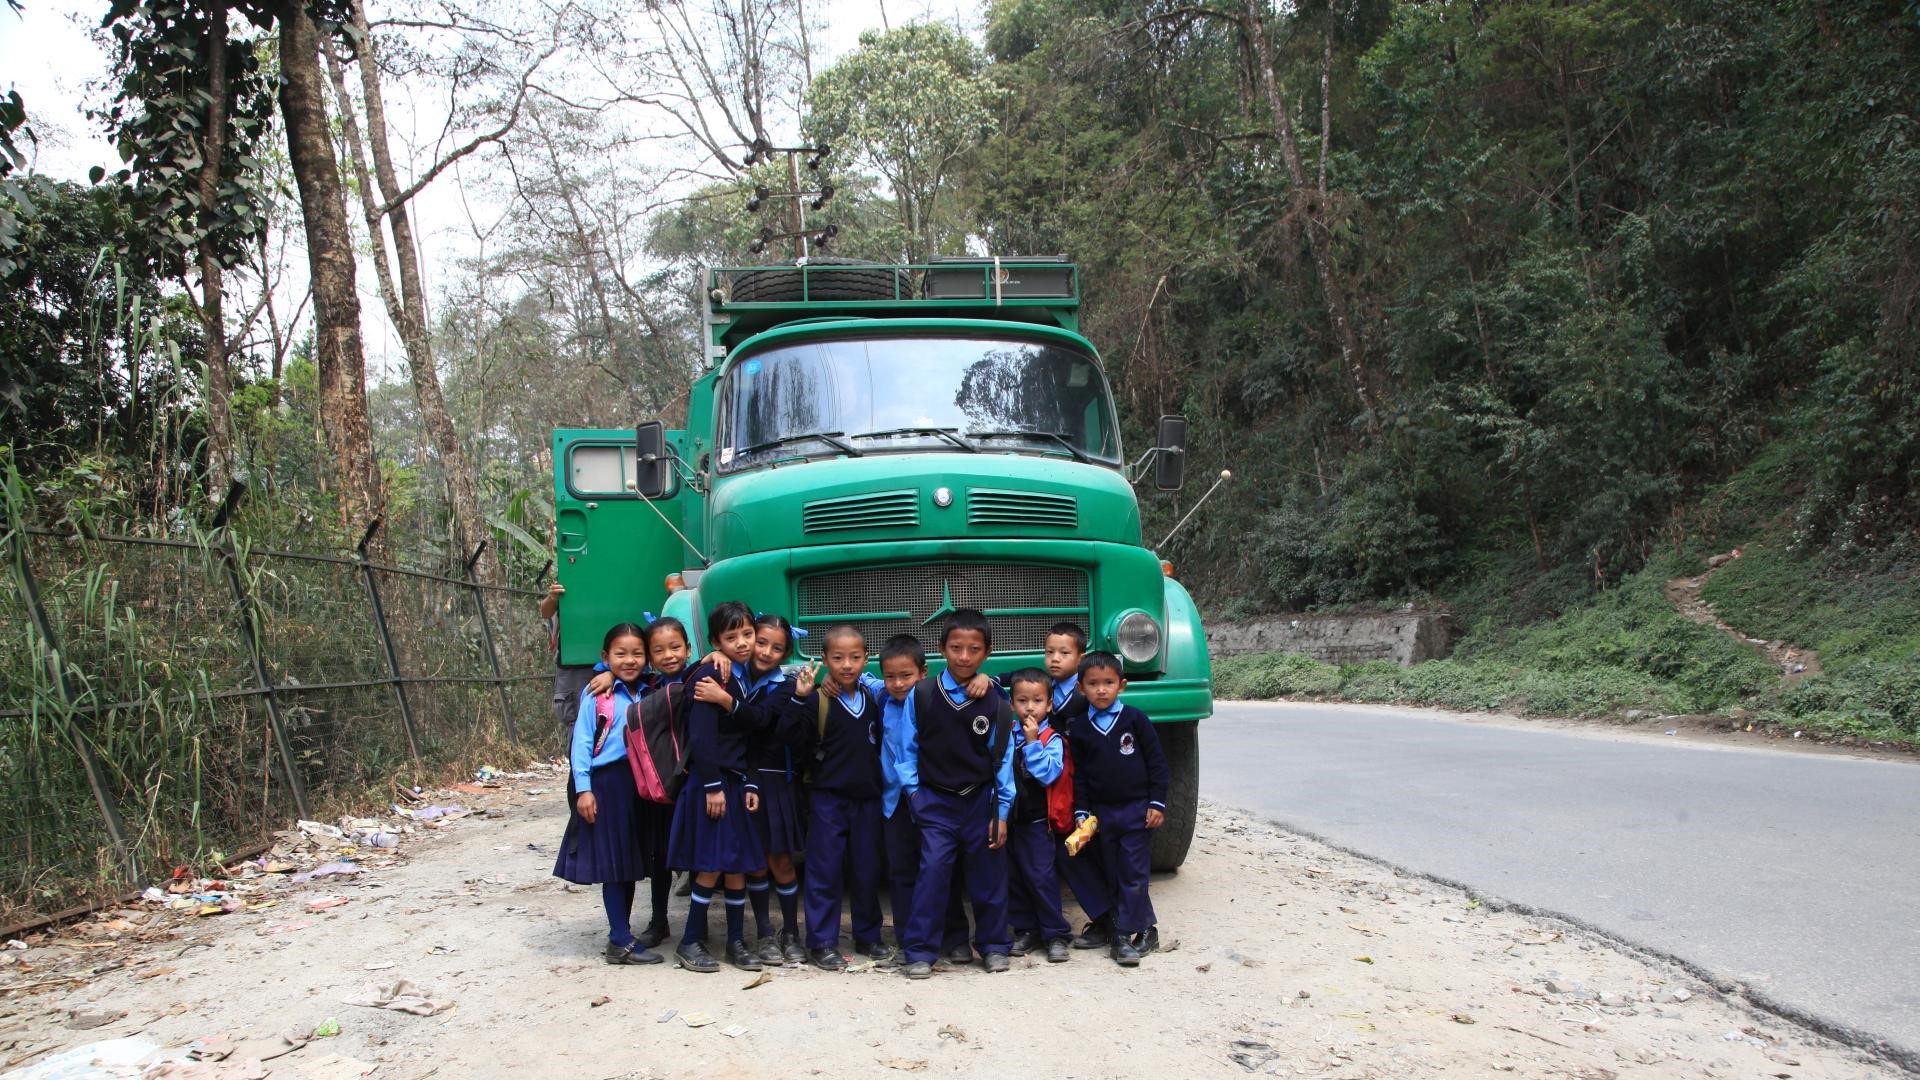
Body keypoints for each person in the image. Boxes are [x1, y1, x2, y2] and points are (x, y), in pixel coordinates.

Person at [893, 609, 1016, 979]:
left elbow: (1002, 758)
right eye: (956, 648)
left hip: (981, 800)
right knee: (932, 873)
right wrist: (915, 795)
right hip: (935, 800)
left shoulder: (995, 701)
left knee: (988, 876)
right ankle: (920, 951)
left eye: (974, 649)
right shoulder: (923, 694)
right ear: (941, 648)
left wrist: (1002, 812)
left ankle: (994, 945)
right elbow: (906, 751)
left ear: (988, 652)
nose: (964, 656)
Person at [551, 623, 664, 965]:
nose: (629, 660)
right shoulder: (596, 695)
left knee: (628, 862)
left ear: (647, 658)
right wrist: (584, 789)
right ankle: (619, 940)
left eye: (637, 654)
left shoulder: (649, 690)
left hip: (638, 786)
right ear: (605, 656)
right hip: (607, 784)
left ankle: (622, 934)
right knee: (614, 864)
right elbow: (582, 744)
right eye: (620, 654)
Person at [666, 601, 767, 973]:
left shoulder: (740, 674)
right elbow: (702, 736)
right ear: (715, 642)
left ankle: (735, 942)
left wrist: (749, 781)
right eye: (731, 637)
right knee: (711, 865)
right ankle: (690, 940)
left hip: (735, 782)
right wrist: (711, 785)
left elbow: (748, 733)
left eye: (747, 634)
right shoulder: (712, 673)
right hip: (716, 783)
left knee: (735, 864)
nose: (742, 643)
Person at [791, 626, 891, 969]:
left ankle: (868, 935)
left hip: (868, 798)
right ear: (824, 660)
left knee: (867, 869)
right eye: (837, 658)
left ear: (866, 659)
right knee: (824, 870)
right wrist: (806, 694)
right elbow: (798, 741)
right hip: (828, 798)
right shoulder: (819, 699)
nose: (846, 665)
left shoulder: (874, 698)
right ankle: (821, 942)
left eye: (854, 657)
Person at [877, 635, 974, 965]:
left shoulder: (935, 701)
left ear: (923, 673)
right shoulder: (881, 700)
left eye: (906, 675)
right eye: (890, 677)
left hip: (933, 798)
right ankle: (909, 939)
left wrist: (985, 679)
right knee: (901, 871)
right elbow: (859, 677)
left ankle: (955, 937)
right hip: (894, 802)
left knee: (941, 867)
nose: (898, 683)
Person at [1068, 650, 1169, 966]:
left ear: (1121, 685)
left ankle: (1122, 937)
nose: (1101, 690)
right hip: (1102, 815)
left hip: (1136, 811)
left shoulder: (1135, 719)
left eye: (1108, 683)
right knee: (1113, 872)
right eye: (1093, 684)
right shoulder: (1080, 728)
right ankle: (1147, 930)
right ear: (1081, 688)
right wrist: (1082, 811)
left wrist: (1156, 802)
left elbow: (1157, 763)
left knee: (1133, 872)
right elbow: (1080, 775)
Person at [733, 614, 810, 965]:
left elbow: (769, 727)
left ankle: (791, 932)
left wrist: (798, 700)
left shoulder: (786, 687)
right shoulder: (733, 676)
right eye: (761, 642)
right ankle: (764, 933)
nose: (766, 652)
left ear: (785, 653)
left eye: (776, 648)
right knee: (755, 861)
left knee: (780, 858)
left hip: (775, 778)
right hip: (741, 777)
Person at [1040, 621, 1115, 951]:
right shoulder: (1046, 688)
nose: (1055, 659)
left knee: (1100, 849)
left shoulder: (1089, 692)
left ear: (1081, 657)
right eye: (1049, 652)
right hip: (1061, 782)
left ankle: (1118, 920)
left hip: (1091, 781)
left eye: (1064, 653)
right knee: (1069, 846)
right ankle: (1103, 917)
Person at [1003, 668, 1071, 963]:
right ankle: (1026, 929)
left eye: (1037, 701)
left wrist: (1032, 743)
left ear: (1049, 704)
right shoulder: (1007, 733)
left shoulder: (1050, 738)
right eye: (1022, 701)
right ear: (1011, 704)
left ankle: (1055, 933)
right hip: (1009, 820)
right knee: (1013, 876)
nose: (1029, 708)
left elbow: (1048, 774)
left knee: (1041, 876)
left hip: (1037, 821)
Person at [633, 616, 693, 948]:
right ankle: (659, 921)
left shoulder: (700, 677)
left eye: (675, 647)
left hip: (692, 781)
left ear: (688, 648)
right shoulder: (648, 686)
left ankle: (698, 926)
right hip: (659, 785)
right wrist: (606, 674)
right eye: (659, 650)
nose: (669, 655)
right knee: (659, 854)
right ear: (650, 657)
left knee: (698, 854)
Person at [541, 581, 594, 751]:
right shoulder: (571, 573)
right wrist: (552, 597)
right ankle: (578, 764)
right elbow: (545, 612)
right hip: (575, 661)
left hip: (614, 657)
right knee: (577, 720)